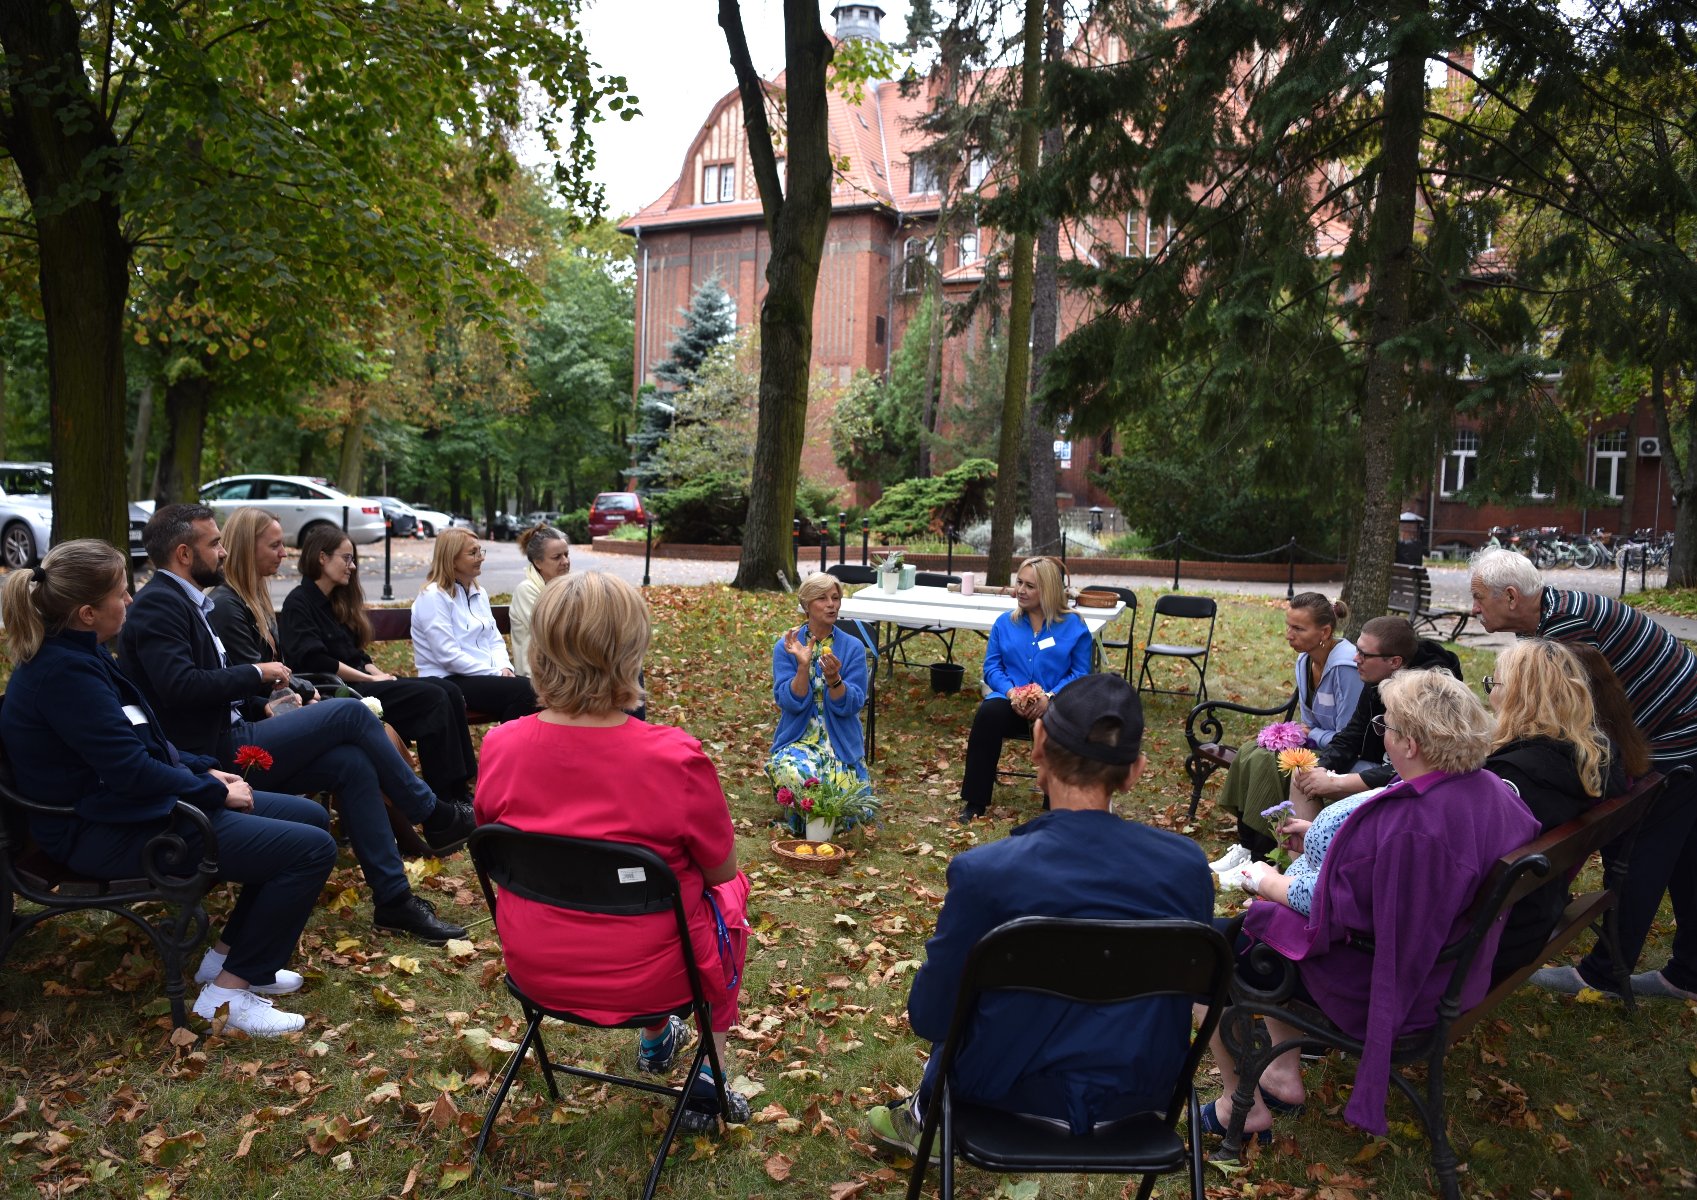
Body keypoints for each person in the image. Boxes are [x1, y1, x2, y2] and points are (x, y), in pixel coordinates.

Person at [0, 539, 337, 1036]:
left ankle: (226, 960)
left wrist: (206, 771)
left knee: (309, 818)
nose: (130, 601)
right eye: (121, 592)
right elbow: (130, 771)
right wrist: (214, 792)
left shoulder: (83, 655)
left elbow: (147, 743)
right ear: (88, 612)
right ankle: (226, 997)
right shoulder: (64, 674)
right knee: (310, 849)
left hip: (135, 810)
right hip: (100, 832)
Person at [867, 674, 1213, 1153]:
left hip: (999, 1095)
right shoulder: (1186, 868)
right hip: (1142, 1096)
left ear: (1038, 745)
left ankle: (918, 1114)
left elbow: (931, 1016)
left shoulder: (985, 873)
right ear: (1135, 771)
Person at [474, 572, 752, 1135]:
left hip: (538, 966)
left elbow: (494, 846)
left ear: (541, 650)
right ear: (630, 653)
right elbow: (721, 868)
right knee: (728, 894)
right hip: (654, 979)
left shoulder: (500, 744)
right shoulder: (673, 758)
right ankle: (709, 1076)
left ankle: (658, 1038)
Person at [119, 504, 474, 944]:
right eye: (215, 544)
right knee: (349, 713)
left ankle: (395, 900)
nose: (223, 552)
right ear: (185, 554)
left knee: (350, 763)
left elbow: (201, 685)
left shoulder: (186, 601)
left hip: (232, 731)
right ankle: (433, 813)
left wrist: (255, 702)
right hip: (210, 755)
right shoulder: (160, 604)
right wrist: (258, 675)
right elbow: (178, 686)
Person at [1208, 668, 1538, 1140]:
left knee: (1214, 948)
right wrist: (1333, 844)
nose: (1381, 738)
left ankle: (1240, 1105)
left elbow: (1334, 910)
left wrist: (1265, 881)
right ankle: (1281, 1073)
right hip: (1457, 966)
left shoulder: (1413, 825)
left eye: (1388, 728)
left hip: (1393, 980)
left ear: (1413, 745)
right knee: (1253, 931)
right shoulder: (1488, 790)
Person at [1469, 547, 1697, 1001]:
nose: (1473, 609)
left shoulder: (1564, 635)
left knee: (1638, 850)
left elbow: (1562, 728)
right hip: (1678, 729)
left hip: (1678, 736)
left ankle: (1605, 975)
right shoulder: (1551, 616)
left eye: (1478, 598)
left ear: (1511, 597)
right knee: (1685, 853)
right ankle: (1688, 973)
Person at [280, 524, 478, 807]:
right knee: (433, 699)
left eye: (353, 558)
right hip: (338, 694)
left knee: (446, 689)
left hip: (362, 683)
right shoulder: (299, 603)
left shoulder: (335, 601)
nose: (353, 566)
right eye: (346, 558)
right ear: (322, 558)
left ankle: (461, 787)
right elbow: (315, 660)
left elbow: (355, 654)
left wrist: (376, 673)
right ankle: (443, 797)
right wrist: (370, 680)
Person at [1483, 638, 1631, 983]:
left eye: (1493, 683)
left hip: (1501, 933)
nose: (1489, 693)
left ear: (1518, 696)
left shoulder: (1512, 776)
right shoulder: (1598, 753)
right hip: (1540, 905)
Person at [1208, 593, 1363, 872]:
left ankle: (1262, 853)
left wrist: (1311, 733)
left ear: (1324, 632)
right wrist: (1300, 733)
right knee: (1251, 750)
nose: (1289, 635)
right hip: (1317, 741)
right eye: (1288, 626)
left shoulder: (1346, 667)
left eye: (1298, 629)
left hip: (1342, 753)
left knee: (1271, 762)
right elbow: (1309, 719)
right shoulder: (1304, 660)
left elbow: (1349, 735)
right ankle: (1246, 844)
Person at [957, 556, 1093, 822]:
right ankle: (975, 801)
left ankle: (1055, 804)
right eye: (1019, 582)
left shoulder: (1074, 626)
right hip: (1010, 701)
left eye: (1030, 586)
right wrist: (1011, 693)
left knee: (1061, 719)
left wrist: (1050, 697)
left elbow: (1079, 674)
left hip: (1053, 703)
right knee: (987, 714)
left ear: (1049, 590)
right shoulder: (1004, 623)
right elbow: (992, 668)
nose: (1020, 590)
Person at [1285, 616, 1462, 817]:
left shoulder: (1430, 694)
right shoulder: (1376, 676)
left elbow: (1420, 769)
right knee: (1303, 776)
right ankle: (1302, 848)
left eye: (1364, 654)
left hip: (1413, 786)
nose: (1355, 658)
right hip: (1376, 767)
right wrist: (1321, 768)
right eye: (1357, 650)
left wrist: (1337, 782)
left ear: (1395, 661)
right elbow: (1352, 734)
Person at [766, 572, 876, 834]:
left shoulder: (853, 647)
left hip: (840, 741)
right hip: (799, 738)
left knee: (849, 803)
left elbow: (852, 705)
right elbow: (790, 702)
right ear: (806, 605)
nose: (832, 605)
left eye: (836, 598)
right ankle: (810, 814)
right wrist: (803, 667)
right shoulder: (787, 646)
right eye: (822, 598)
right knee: (796, 774)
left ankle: (812, 815)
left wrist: (834, 679)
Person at [411, 528, 538, 723]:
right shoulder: (433, 596)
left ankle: (507, 748)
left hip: (481, 676)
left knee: (537, 691)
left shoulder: (479, 592)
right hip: (446, 679)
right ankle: (503, 749)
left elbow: (494, 639)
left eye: (481, 551)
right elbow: (448, 656)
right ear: (451, 559)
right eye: (473, 553)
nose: (481, 558)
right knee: (527, 693)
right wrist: (495, 673)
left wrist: (504, 667)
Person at [509, 522, 572, 677]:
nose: (565, 562)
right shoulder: (527, 590)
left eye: (566, 554)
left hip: (568, 671)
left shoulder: (568, 585)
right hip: (539, 677)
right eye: (557, 557)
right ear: (538, 562)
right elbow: (552, 633)